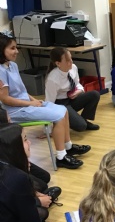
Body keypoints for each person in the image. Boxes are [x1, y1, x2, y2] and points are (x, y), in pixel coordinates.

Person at [0, 33, 91, 169]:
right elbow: (5, 99)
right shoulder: (1, 71)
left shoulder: (13, 66)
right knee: (58, 115)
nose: (17, 51)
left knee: (64, 110)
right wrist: (31, 104)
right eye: (12, 48)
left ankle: (68, 147)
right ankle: (61, 157)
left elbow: (22, 91)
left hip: (27, 105)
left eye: (16, 47)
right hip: (15, 111)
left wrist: (35, 101)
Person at [0, 123, 64, 222]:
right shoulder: (16, 178)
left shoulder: (9, 172)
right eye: (25, 140)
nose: (29, 143)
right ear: (14, 148)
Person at [45, 47, 100, 131]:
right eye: (67, 60)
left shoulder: (73, 68)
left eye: (71, 58)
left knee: (95, 94)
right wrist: (48, 130)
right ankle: (79, 122)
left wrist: (79, 91)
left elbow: (77, 84)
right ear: (58, 63)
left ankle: (84, 120)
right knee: (81, 126)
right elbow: (49, 103)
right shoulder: (52, 79)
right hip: (60, 104)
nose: (71, 62)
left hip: (71, 99)